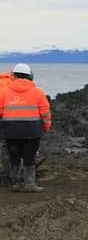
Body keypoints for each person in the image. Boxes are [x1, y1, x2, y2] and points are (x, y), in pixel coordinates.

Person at [0, 63, 52, 192]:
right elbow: (45, 113)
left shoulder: (4, 92)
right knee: (30, 157)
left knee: (14, 157)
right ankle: (29, 184)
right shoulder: (38, 92)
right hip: (32, 131)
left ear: (14, 75)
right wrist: (46, 127)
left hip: (11, 131)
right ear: (29, 76)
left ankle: (15, 184)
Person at [0, 71, 13, 186]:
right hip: (7, 118)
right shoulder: (12, 85)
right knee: (8, 146)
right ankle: (9, 174)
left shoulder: (2, 82)